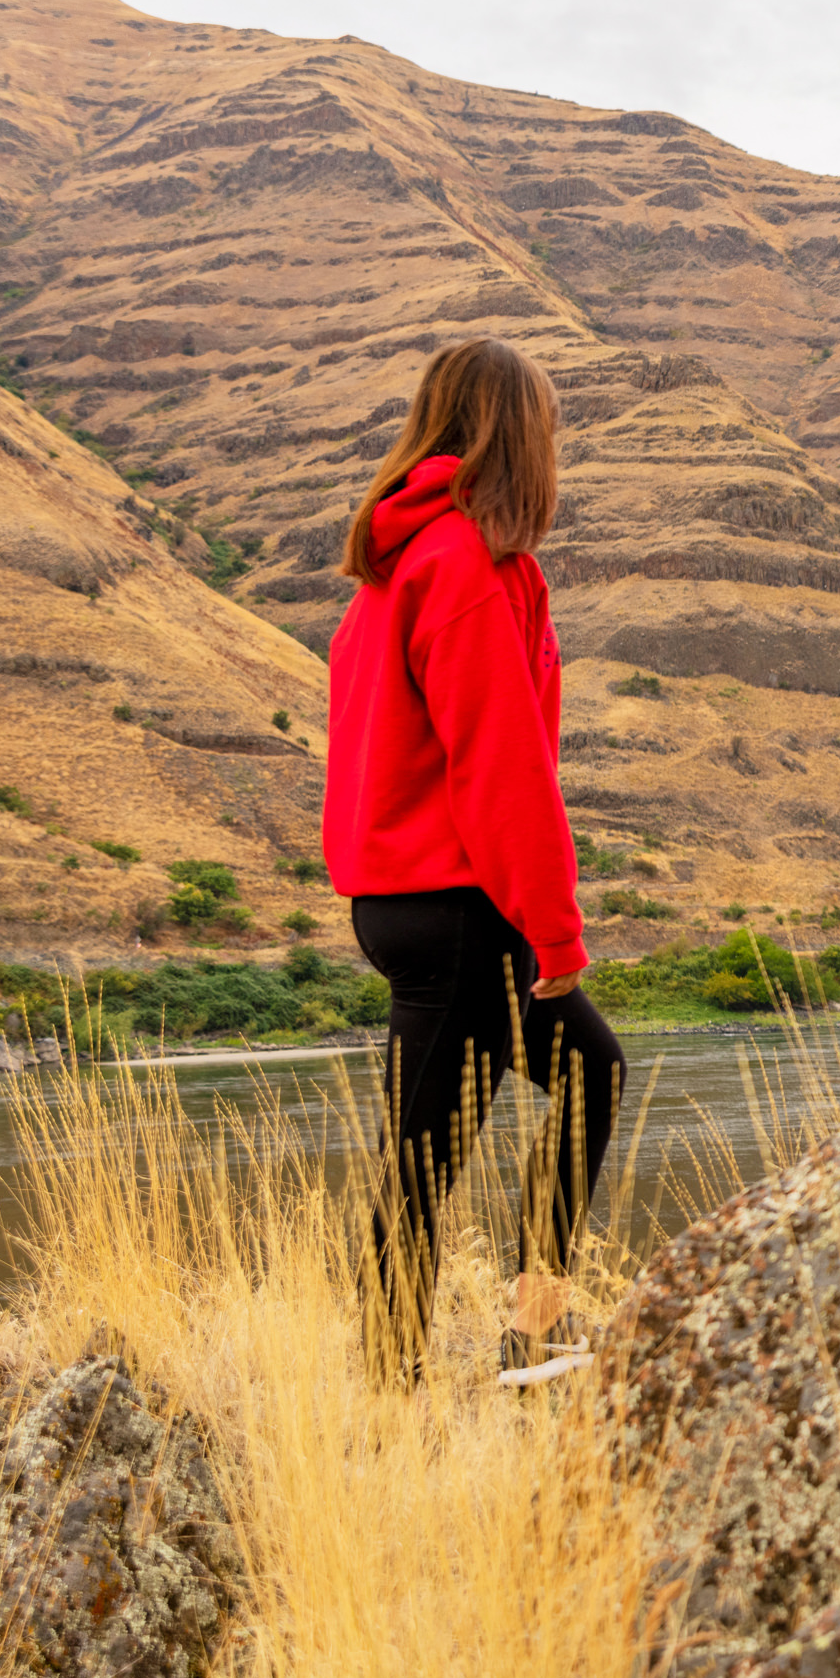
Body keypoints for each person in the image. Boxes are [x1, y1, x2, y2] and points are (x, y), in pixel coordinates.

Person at [323, 337, 622, 1387]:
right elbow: (502, 769)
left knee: (426, 1152)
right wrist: (555, 930)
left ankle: (407, 1369)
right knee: (577, 1077)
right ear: (515, 435)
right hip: (455, 903)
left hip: (394, 898)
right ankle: (519, 1336)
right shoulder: (457, 565)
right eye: (548, 426)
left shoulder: (398, 563)